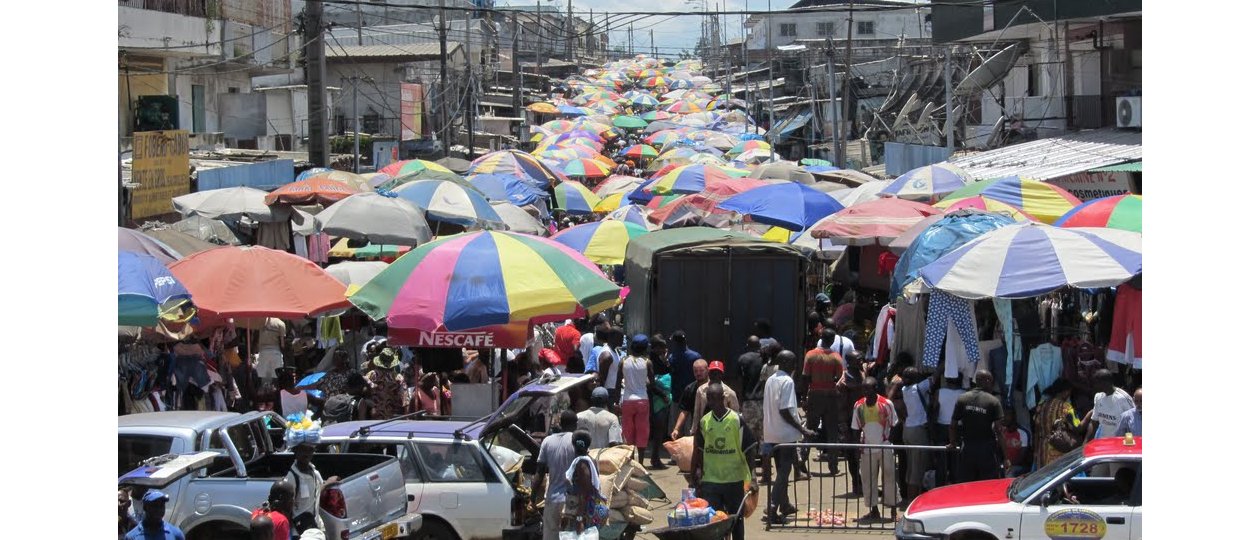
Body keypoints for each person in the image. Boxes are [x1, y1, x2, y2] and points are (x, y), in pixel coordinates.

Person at [691, 384, 758, 540]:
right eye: (710, 398)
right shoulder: (705, 422)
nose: (713, 402)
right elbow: (699, 451)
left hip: (733, 480)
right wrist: (696, 474)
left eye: (716, 398)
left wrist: (753, 477)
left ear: (723, 399)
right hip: (711, 481)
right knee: (714, 521)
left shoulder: (736, 420)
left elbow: (750, 449)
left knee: (736, 520)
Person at [762, 350, 815, 525]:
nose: (795, 366)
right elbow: (785, 410)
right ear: (785, 363)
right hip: (785, 433)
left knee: (781, 471)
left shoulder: (771, 379)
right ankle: (772, 507)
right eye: (793, 362)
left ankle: (784, 504)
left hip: (772, 431)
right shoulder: (787, 381)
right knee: (784, 472)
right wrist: (802, 429)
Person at [852, 376, 900, 523]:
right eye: (863, 388)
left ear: (875, 388)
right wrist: (856, 448)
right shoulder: (858, 406)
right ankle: (874, 510)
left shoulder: (886, 404)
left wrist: (892, 443)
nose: (865, 391)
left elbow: (894, 424)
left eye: (868, 388)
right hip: (866, 448)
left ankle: (892, 510)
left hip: (884, 446)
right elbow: (855, 428)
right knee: (868, 479)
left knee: (889, 477)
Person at [802, 329, 845, 476]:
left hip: (814, 394)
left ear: (821, 338)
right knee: (832, 431)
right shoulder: (835, 357)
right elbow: (840, 378)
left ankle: (802, 461)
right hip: (831, 395)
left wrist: (804, 398)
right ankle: (833, 466)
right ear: (832, 340)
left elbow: (805, 377)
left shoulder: (810, 355)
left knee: (809, 429)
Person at [950, 370, 1004, 483]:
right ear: (987, 381)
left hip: (967, 449)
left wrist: (952, 442)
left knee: (967, 484)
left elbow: (953, 425)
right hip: (987, 450)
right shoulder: (993, 401)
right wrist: (1006, 455)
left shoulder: (962, 398)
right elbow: (999, 429)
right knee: (988, 484)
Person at [534, 411, 578, 540]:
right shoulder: (577, 441)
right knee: (570, 536)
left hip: (552, 498)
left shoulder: (547, 441)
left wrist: (532, 496)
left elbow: (540, 472)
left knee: (550, 536)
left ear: (560, 423)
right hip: (572, 501)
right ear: (575, 424)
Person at [562, 430, 609, 533]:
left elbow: (584, 493)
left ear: (573, 444)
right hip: (587, 510)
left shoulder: (581, 464)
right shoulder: (590, 460)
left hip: (584, 512)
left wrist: (579, 520)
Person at [287, 443, 339, 534]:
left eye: (310, 450)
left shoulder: (314, 472)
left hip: (315, 527)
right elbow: (287, 509)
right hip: (299, 532)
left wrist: (327, 484)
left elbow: (315, 494)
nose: (307, 453)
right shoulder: (291, 478)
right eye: (303, 449)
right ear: (295, 451)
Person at [898, 367, 933, 499]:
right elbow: (933, 378)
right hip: (918, 430)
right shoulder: (918, 388)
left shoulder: (904, 390)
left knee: (912, 466)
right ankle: (913, 500)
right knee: (917, 469)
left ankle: (910, 496)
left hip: (907, 429)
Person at [619, 334, 655, 462]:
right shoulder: (647, 362)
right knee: (642, 430)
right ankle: (640, 463)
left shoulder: (623, 361)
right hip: (642, 400)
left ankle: (629, 461)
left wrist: (616, 401)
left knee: (628, 430)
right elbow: (652, 384)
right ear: (645, 348)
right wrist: (645, 383)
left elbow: (618, 382)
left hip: (627, 400)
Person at [835, 350, 867, 494]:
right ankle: (856, 482)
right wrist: (843, 426)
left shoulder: (862, 373)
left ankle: (865, 483)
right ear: (850, 362)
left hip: (866, 420)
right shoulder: (843, 382)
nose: (861, 361)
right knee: (852, 455)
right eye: (858, 359)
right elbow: (840, 407)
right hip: (849, 422)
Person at [1034, 379, 1081, 468]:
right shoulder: (1066, 407)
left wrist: (1036, 451)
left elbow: (1036, 430)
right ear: (1065, 392)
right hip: (1058, 447)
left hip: (1043, 449)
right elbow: (1077, 426)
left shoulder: (1042, 406)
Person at [1085, 369, 1135, 441]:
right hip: (1105, 441)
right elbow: (1094, 422)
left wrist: (1128, 445)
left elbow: (1132, 423)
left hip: (1121, 441)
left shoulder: (1122, 398)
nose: (1094, 385)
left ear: (1105, 383)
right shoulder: (1098, 397)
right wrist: (1086, 443)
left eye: (1096, 383)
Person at [933, 374, 965, 486]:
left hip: (942, 427)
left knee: (941, 461)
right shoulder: (964, 394)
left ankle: (940, 485)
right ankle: (956, 484)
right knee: (956, 460)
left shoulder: (939, 392)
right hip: (958, 428)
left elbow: (934, 408)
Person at [668, 331, 703, 430]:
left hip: (677, 397)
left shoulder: (672, 357)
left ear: (675, 343)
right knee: (690, 428)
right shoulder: (696, 356)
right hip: (692, 396)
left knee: (676, 428)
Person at [647, 334, 672, 469]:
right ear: (655, 348)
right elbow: (651, 384)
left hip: (659, 399)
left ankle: (655, 457)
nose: (664, 350)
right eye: (662, 348)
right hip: (656, 399)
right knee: (658, 431)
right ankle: (655, 459)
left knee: (659, 431)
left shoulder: (657, 359)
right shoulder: (651, 361)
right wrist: (663, 395)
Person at [691, 361, 739, 430]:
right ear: (708, 373)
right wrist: (694, 430)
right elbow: (697, 414)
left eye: (718, 373)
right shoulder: (701, 390)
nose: (715, 375)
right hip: (705, 428)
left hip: (723, 428)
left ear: (722, 374)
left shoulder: (730, 393)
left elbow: (735, 415)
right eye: (712, 372)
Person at [671, 359, 710, 440]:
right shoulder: (690, 389)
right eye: (696, 371)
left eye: (701, 370)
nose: (698, 373)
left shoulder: (715, 388)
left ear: (707, 370)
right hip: (697, 427)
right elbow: (684, 411)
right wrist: (676, 429)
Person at [365, 348, 406, 420]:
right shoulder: (398, 377)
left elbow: (364, 388)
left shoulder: (372, 375)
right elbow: (404, 398)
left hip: (375, 414)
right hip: (393, 415)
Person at [597, 326, 627, 403]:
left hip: (613, 391)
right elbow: (602, 378)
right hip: (608, 392)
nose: (622, 340)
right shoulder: (607, 356)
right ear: (612, 337)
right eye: (620, 337)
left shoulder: (614, 351)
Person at [999, 409, 1032, 477]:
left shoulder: (1022, 433)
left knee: (1009, 473)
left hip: (1019, 466)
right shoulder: (1002, 433)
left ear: (1013, 417)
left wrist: (1009, 465)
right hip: (1006, 465)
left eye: (1006, 415)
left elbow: (1022, 457)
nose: (1003, 418)